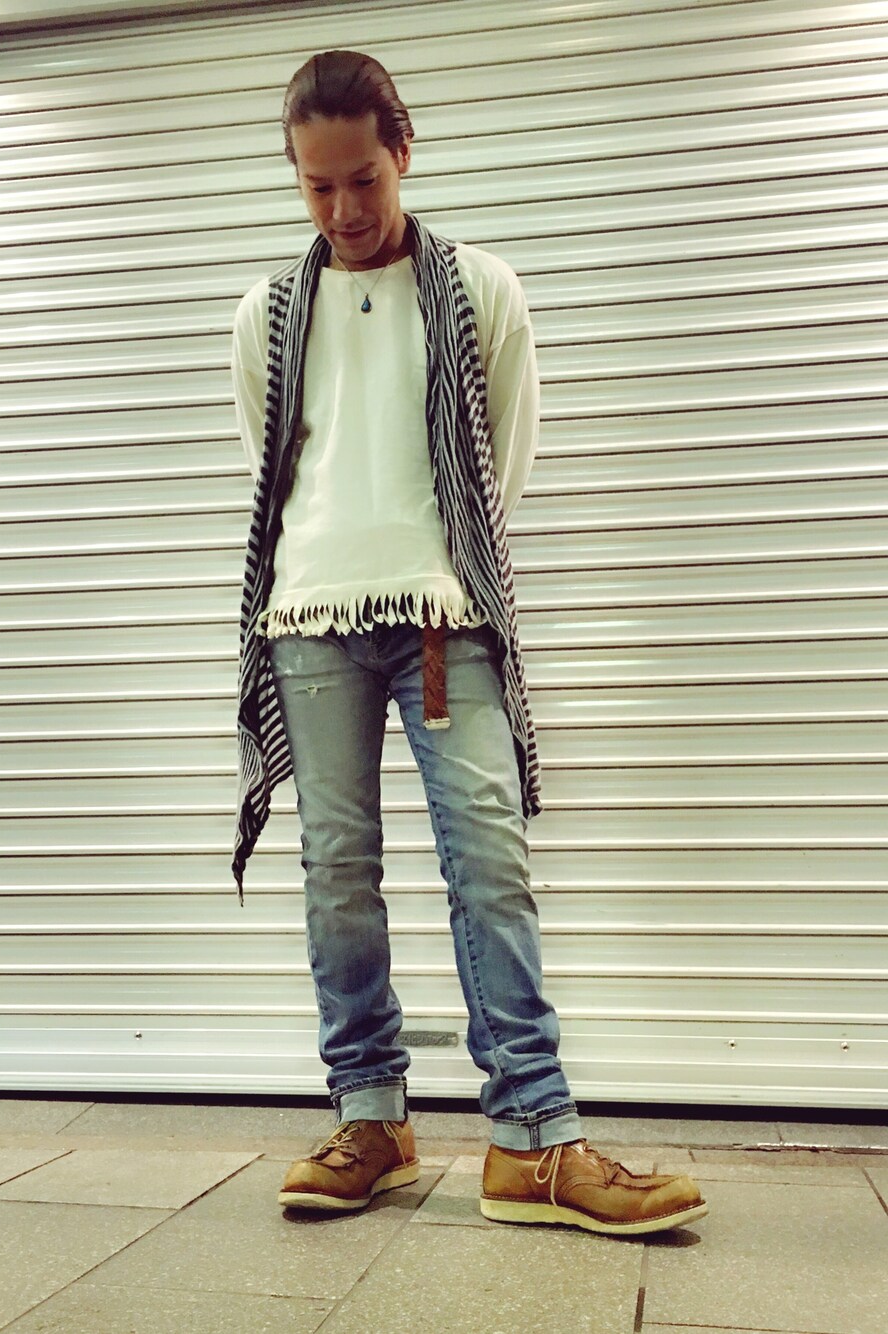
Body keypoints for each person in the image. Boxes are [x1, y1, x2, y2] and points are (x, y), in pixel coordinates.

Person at [230, 49, 707, 1237]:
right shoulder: (268, 312)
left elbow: (501, 462)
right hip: (309, 620)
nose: (343, 209)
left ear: (402, 152)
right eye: (317, 186)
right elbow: (274, 467)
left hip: (446, 617)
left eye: (363, 179)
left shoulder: (481, 287)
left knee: (487, 864)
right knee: (337, 875)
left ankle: (532, 1137)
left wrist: (436, 572)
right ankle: (371, 1119)